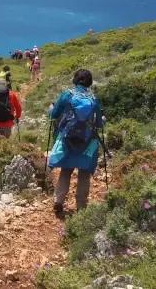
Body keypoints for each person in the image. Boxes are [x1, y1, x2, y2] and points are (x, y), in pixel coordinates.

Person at [49, 69, 104, 217]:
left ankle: (58, 201)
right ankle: (81, 208)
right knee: (84, 174)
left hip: (68, 140)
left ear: (75, 80)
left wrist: (52, 109)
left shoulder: (67, 95)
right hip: (87, 142)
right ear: (90, 82)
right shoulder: (93, 99)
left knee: (66, 171)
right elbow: (99, 124)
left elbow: (53, 115)